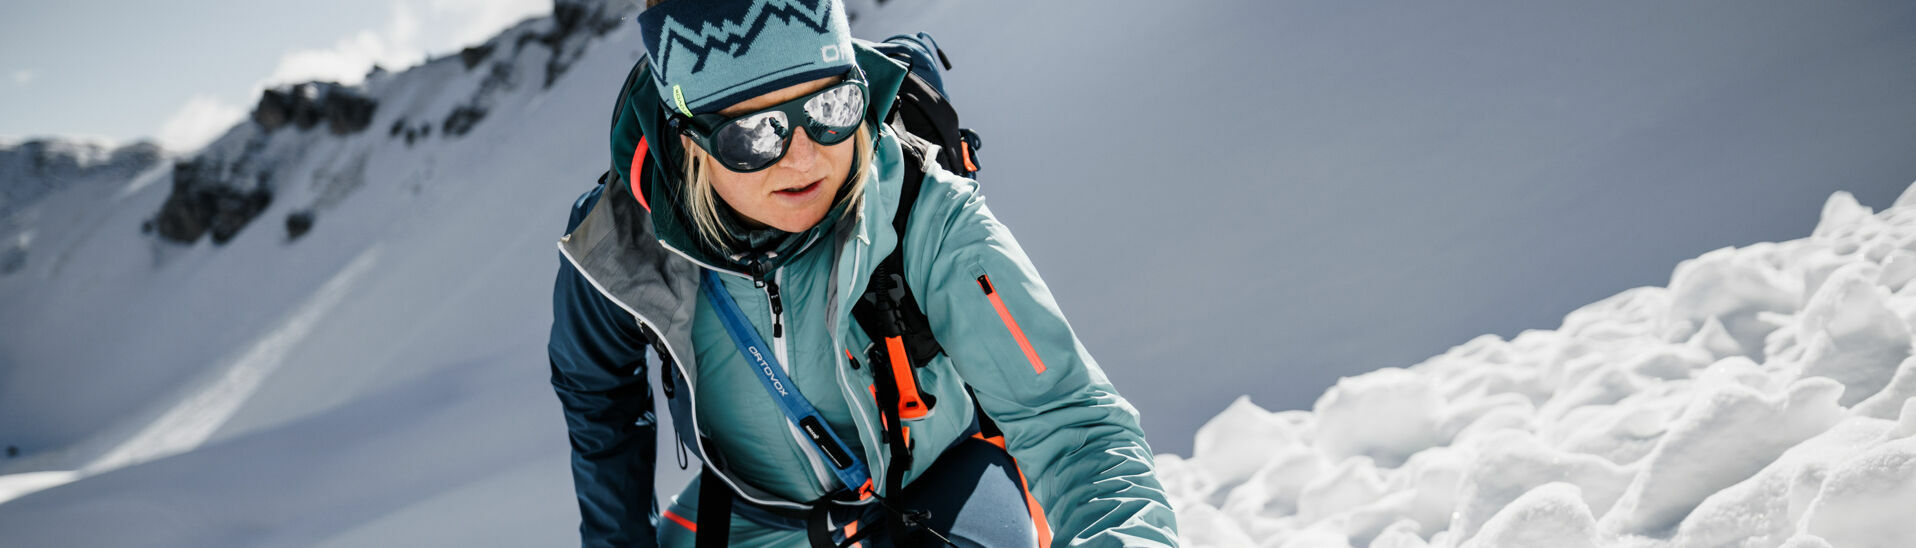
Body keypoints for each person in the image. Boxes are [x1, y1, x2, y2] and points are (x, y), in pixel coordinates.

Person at [548, 0, 1178, 545]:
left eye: (832, 104)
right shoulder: (621, 248)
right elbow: (597, 396)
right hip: (751, 514)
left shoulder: (922, 210)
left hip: (941, 485)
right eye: (756, 133)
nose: (804, 156)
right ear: (692, 142)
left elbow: (1072, 426)